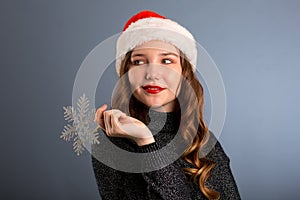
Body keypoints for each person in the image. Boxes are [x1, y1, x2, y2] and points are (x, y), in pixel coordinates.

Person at [92, 10, 241, 200]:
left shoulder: (203, 139)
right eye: (138, 61)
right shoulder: (111, 143)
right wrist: (145, 141)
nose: (153, 73)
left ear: (184, 73)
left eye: (167, 60)